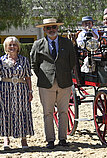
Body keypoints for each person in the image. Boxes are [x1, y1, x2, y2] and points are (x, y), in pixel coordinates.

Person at [30, 18, 76, 149]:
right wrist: (44, 75)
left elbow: (72, 61)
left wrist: (64, 73)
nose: (51, 30)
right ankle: (50, 140)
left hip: (65, 82)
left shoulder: (67, 43)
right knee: (47, 113)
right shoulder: (37, 44)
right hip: (46, 83)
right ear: (44, 29)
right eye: (48, 28)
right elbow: (34, 64)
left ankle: (63, 139)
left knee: (63, 112)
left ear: (57, 28)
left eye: (53, 27)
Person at [0, 36, 34, 150]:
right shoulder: (0, 61)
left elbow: (28, 77)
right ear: (6, 47)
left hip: (21, 89)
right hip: (5, 90)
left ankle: (23, 138)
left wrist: (30, 91)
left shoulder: (24, 60)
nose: (12, 47)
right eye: (10, 45)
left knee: (23, 112)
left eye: (14, 44)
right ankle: (6, 138)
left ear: (18, 47)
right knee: (6, 112)